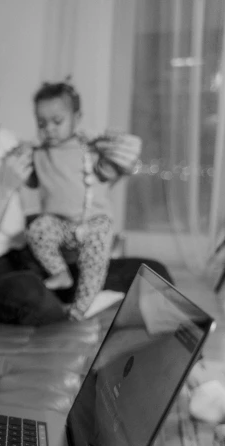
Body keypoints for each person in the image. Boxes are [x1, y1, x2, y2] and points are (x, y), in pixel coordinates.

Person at [0, 67, 170, 327]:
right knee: (29, 290)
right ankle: (77, 311)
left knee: (151, 272)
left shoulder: (2, 141)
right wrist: (4, 189)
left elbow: (63, 172)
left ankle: (189, 363)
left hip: (32, 260)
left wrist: (108, 160)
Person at [24, 80, 143, 320]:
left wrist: (109, 145)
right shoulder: (39, 154)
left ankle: (81, 308)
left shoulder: (89, 149)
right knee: (37, 228)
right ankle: (60, 273)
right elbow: (29, 179)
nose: (49, 129)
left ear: (76, 118)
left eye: (57, 121)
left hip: (94, 223)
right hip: (62, 225)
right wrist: (21, 154)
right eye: (41, 123)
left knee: (94, 267)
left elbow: (115, 166)